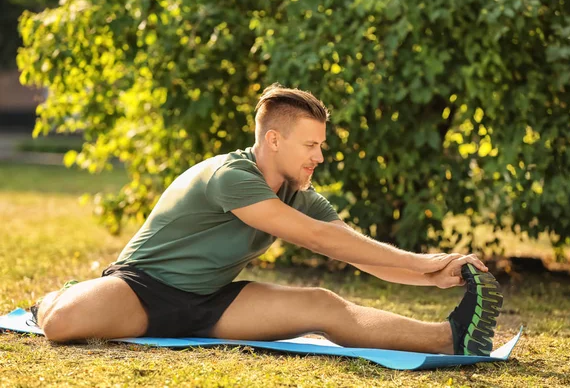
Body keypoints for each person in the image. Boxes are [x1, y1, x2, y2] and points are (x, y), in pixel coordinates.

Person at [31, 83, 503, 356]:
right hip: (144, 287)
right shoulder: (230, 176)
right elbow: (317, 240)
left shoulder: (299, 193)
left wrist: (436, 277)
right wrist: (427, 260)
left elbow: (350, 247)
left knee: (322, 304)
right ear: (274, 141)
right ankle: (59, 296)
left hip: (213, 302)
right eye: (311, 145)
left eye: (321, 145)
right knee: (62, 323)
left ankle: (450, 338)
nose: (320, 156)